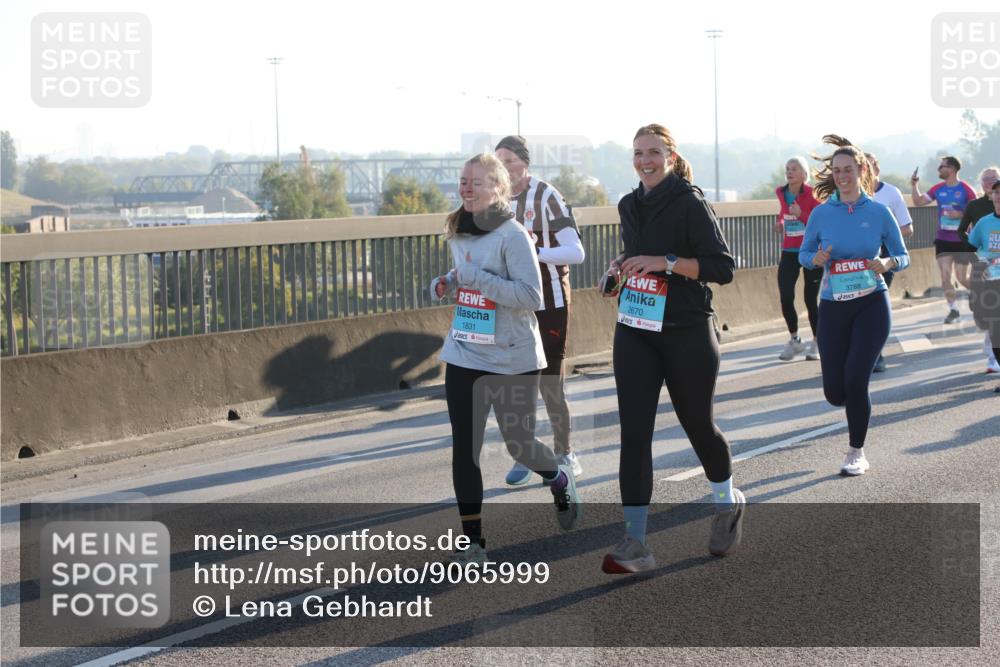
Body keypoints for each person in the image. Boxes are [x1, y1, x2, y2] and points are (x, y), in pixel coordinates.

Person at [600, 124, 741, 574]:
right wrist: (622, 266)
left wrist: (666, 263)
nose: (645, 160)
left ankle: (727, 503)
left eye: (654, 152)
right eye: (638, 153)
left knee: (697, 424)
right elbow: (637, 252)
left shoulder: (690, 203)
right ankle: (635, 542)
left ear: (672, 156)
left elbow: (723, 268)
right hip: (637, 328)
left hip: (686, 330)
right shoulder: (628, 205)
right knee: (634, 432)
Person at [430, 153, 581, 563]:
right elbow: (464, 274)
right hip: (465, 350)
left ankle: (557, 475)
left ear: (498, 188)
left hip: (512, 357)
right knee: (466, 448)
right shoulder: (460, 229)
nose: (466, 188)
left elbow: (531, 296)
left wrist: (478, 279)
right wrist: (445, 282)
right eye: (463, 180)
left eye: (476, 182)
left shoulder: (513, 235)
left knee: (518, 446)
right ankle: (474, 542)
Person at [800, 138, 909, 476]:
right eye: (837, 171)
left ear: (862, 171)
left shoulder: (879, 211)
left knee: (856, 378)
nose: (843, 176)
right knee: (835, 391)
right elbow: (804, 254)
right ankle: (851, 403)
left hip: (871, 304)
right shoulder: (821, 213)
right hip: (833, 306)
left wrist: (887, 262)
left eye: (849, 169)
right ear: (831, 175)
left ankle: (855, 451)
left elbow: (903, 255)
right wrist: (815, 259)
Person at [494, 135, 586, 485]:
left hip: (550, 302)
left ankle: (565, 451)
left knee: (550, 383)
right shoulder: (497, 202)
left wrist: (536, 253)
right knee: (517, 383)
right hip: (514, 306)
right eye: (498, 162)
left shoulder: (546, 195)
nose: (504, 168)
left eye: (509, 161)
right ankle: (526, 453)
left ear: (524, 163)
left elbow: (576, 252)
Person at [910, 156, 977, 324]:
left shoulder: (966, 190)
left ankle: (977, 292)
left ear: (952, 169)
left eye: (942, 166)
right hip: (943, 239)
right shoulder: (938, 189)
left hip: (962, 240)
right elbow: (918, 202)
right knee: (945, 276)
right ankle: (954, 310)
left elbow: (977, 212)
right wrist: (914, 185)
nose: (939, 169)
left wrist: (961, 214)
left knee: (961, 278)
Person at [865, 152, 914, 373]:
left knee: (873, 305)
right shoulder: (850, 195)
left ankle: (876, 353)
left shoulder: (891, 193)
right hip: (857, 256)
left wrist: (885, 235)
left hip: (884, 256)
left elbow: (908, 228)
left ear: (877, 167)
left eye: (870, 164)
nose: (866, 168)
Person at [773, 156, 822, 361]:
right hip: (789, 251)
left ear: (804, 174)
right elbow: (783, 213)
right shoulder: (781, 192)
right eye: (787, 168)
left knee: (810, 299)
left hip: (811, 251)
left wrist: (801, 214)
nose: (789, 172)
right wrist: (779, 222)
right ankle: (795, 340)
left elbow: (819, 223)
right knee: (785, 295)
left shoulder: (813, 194)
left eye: (794, 169)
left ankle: (817, 342)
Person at [959, 166, 1000, 374]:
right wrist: (980, 258)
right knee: (988, 320)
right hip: (987, 274)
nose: (999, 196)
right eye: (996, 192)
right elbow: (966, 242)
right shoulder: (980, 216)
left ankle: (995, 363)